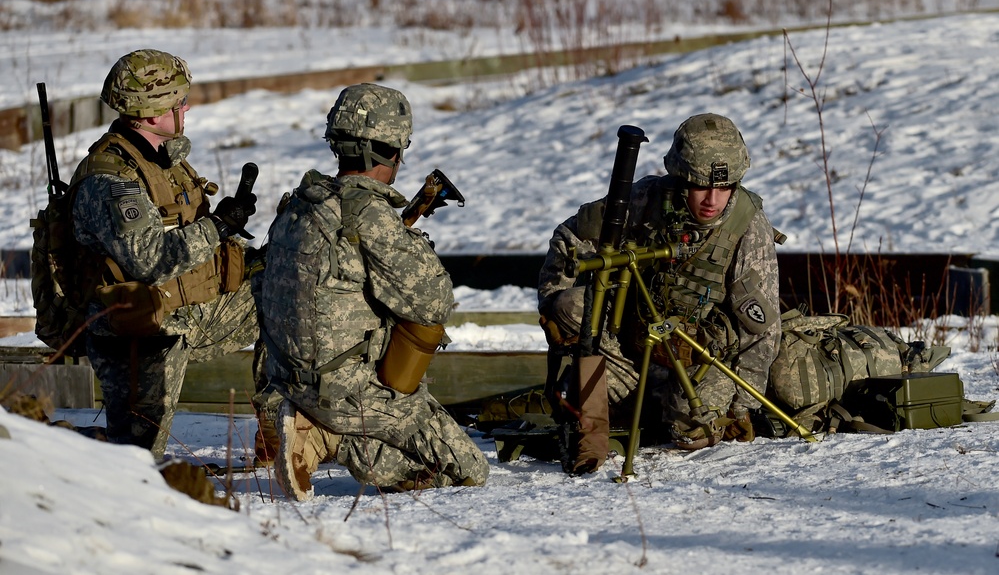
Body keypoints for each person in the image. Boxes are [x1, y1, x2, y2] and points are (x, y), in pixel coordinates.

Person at [257, 82, 488, 499]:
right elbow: (434, 302)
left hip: (287, 377)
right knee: (468, 469)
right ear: (395, 150)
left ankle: (310, 422)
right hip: (348, 392)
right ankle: (327, 437)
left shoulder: (301, 203)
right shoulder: (368, 215)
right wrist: (415, 251)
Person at [538, 113, 782, 456]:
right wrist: (549, 305)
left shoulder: (748, 226)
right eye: (700, 186)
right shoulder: (646, 200)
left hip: (701, 362)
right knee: (568, 309)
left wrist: (741, 405)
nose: (712, 200)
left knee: (690, 431)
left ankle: (659, 408)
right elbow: (570, 237)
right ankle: (640, 399)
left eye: (723, 188)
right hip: (632, 348)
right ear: (680, 178)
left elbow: (761, 330)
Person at [70, 49, 262, 461]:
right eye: (177, 102)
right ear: (151, 111)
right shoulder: (110, 180)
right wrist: (218, 227)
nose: (186, 107)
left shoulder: (162, 160)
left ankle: (281, 435)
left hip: (185, 311)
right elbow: (150, 260)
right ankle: (49, 444)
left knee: (281, 292)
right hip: (137, 330)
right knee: (135, 461)